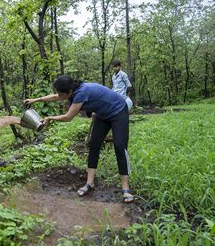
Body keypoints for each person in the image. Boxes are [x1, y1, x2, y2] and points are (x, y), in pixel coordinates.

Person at [24, 75, 134, 203]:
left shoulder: (80, 94)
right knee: (94, 145)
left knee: (120, 146)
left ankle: (126, 189)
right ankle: (90, 183)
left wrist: (50, 118)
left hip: (118, 110)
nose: (58, 96)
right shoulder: (72, 90)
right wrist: (35, 100)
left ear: (69, 92)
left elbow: (68, 117)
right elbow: (55, 97)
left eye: (61, 93)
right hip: (102, 114)